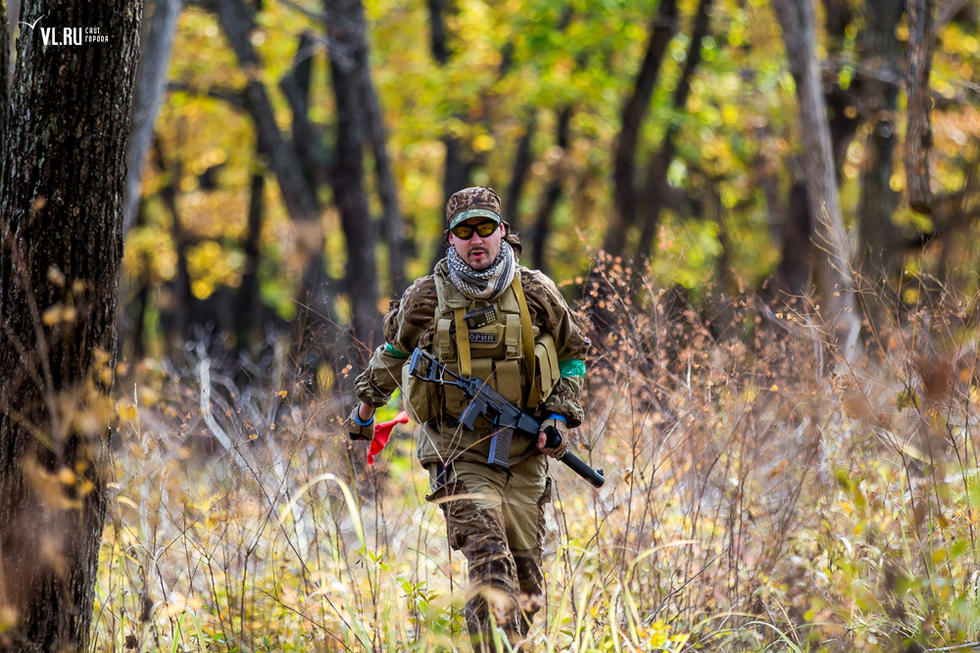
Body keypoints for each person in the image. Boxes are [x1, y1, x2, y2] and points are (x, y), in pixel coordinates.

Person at [347, 186, 589, 651]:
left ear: (502, 231)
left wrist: (558, 415)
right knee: (491, 567)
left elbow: (574, 354)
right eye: (464, 231)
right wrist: (364, 409)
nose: (476, 239)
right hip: (457, 452)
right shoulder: (425, 297)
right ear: (450, 239)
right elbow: (394, 354)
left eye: (485, 228)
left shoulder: (536, 291)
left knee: (527, 589)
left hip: (524, 455)